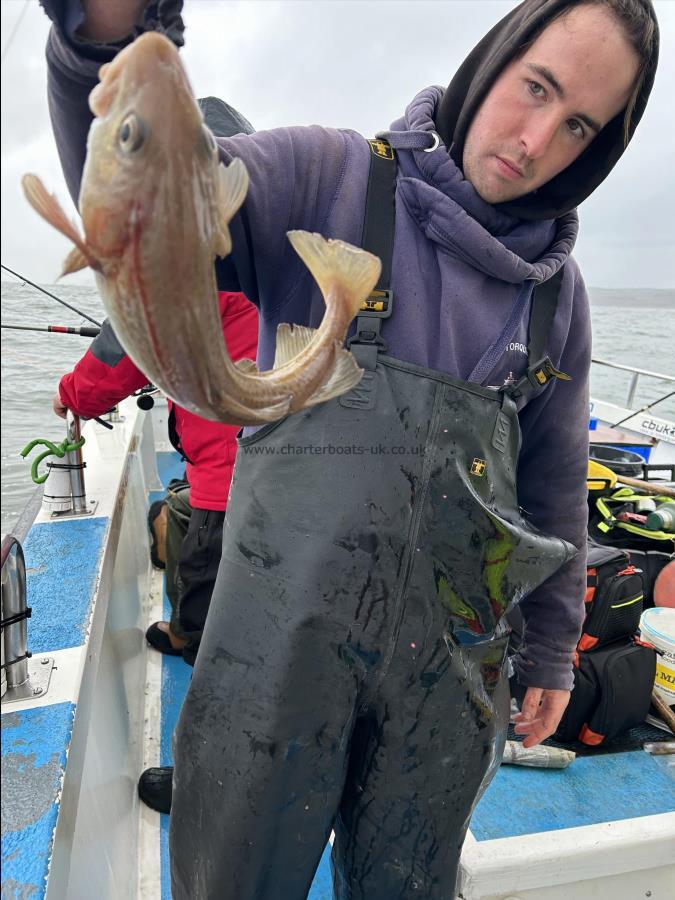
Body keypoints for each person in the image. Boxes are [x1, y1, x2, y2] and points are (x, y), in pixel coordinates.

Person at [39, 0, 659, 897]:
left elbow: (553, 481)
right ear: (493, 62)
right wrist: (107, 41)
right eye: (534, 87)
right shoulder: (330, 176)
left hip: (450, 678)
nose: (532, 140)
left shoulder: (555, 298)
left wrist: (554, 651)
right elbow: (151, 190)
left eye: (575, 126)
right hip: (271, 658)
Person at [52, 93, 259, 813]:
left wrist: (71, 398)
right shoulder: (269, 248)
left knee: (220, 629)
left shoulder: (170, 266)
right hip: (288, 481)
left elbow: (112, 364)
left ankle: (214, 780)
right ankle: (188, 632)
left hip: (229, 490)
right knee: (246, 612)